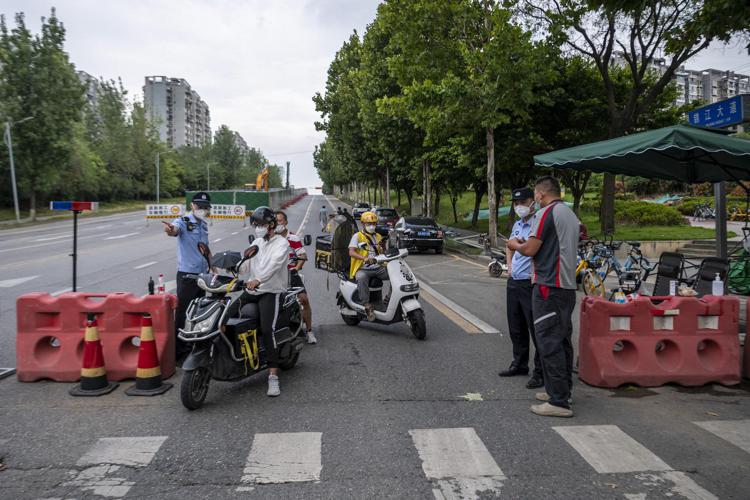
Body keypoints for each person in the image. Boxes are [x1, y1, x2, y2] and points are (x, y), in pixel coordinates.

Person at [506, 176, 580, 418]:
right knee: (562, 340)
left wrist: (515, 244)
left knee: (549, 341)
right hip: (567, 285)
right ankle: (561, 391)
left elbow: (530, 249)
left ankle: (558, 402)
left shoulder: (546, 213)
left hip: (549, 284)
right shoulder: (569, 213)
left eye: (535, 196)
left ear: (539, 195)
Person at [242, 206, 291, 397]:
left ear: (271, 225)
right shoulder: (257, 242)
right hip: (252, 290)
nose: (258, 228)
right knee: (226, 315)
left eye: (261, 225)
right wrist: (233, 268)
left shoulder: (282, 244)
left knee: (266, 329)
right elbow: (245, 264)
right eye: (256, 225)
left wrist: (258, 280)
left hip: (271, 291)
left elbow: (273, 266)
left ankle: (272, 377)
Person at [499, 187, 544, 390]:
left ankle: (540, 371)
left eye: (523, 203)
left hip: (529, 282)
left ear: (532, 202)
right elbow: (510, 245)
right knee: (516, 327)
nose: (519, 207)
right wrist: (509, 266)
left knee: (535, 328)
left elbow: (533, 249)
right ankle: (519, 363)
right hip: (514, 281)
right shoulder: (518, 223)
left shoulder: (538, 224)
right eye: (516, 204)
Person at [163, 192, 211, 365]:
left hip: (202, 275)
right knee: (183, 314)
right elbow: (173, 230)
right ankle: (178, 352)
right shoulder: (183, 221)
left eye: (205, 207)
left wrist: (211, 265)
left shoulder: (203, 225)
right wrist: (170, 230)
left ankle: (192, 346)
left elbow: (205, 248)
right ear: (192, 206)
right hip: (187, 275)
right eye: (199, 206)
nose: (202, 209)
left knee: (198, 313)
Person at [275, 210, 316, 344]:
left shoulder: (293, 238)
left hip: (289, 273)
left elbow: (303, 256)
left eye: (280, 221)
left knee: (304, 299)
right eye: (275, 221)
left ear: (285, 222)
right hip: (273, 275)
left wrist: (295, 270)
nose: (277, 223)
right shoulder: (270, 238)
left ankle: (309, 331)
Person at [348, 211, 387, 322]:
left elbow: (383, 251)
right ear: (363, 224)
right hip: (363, 267)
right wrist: (364, 258)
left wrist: (384, 248)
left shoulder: (378, 236)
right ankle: (366, 305)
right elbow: (351, 252)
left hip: (378, 266)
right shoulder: (357, 236)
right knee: (361, 277)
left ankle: (388, 300)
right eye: (368, 224)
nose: (371, 226)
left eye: (374, 224)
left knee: (394, 275)